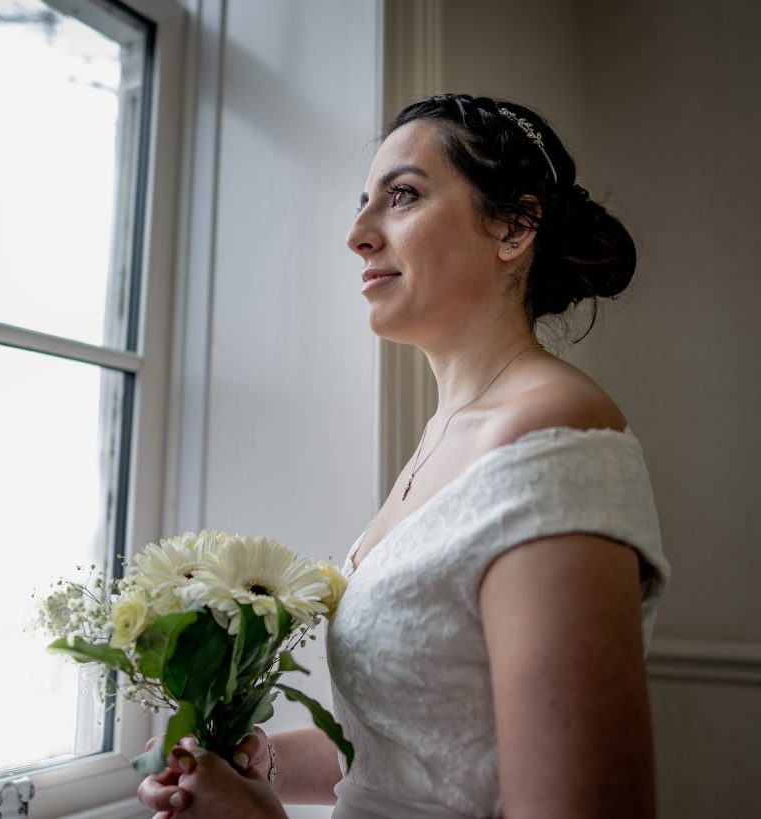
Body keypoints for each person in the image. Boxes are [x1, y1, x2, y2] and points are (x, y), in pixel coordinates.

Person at [137, 93, 670, 819]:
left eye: (403, 196)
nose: (357, 233)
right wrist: (253, 760)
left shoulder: (550, 434)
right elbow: (419, 755)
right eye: (364, 203)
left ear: (515, 225)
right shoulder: (443, 436)